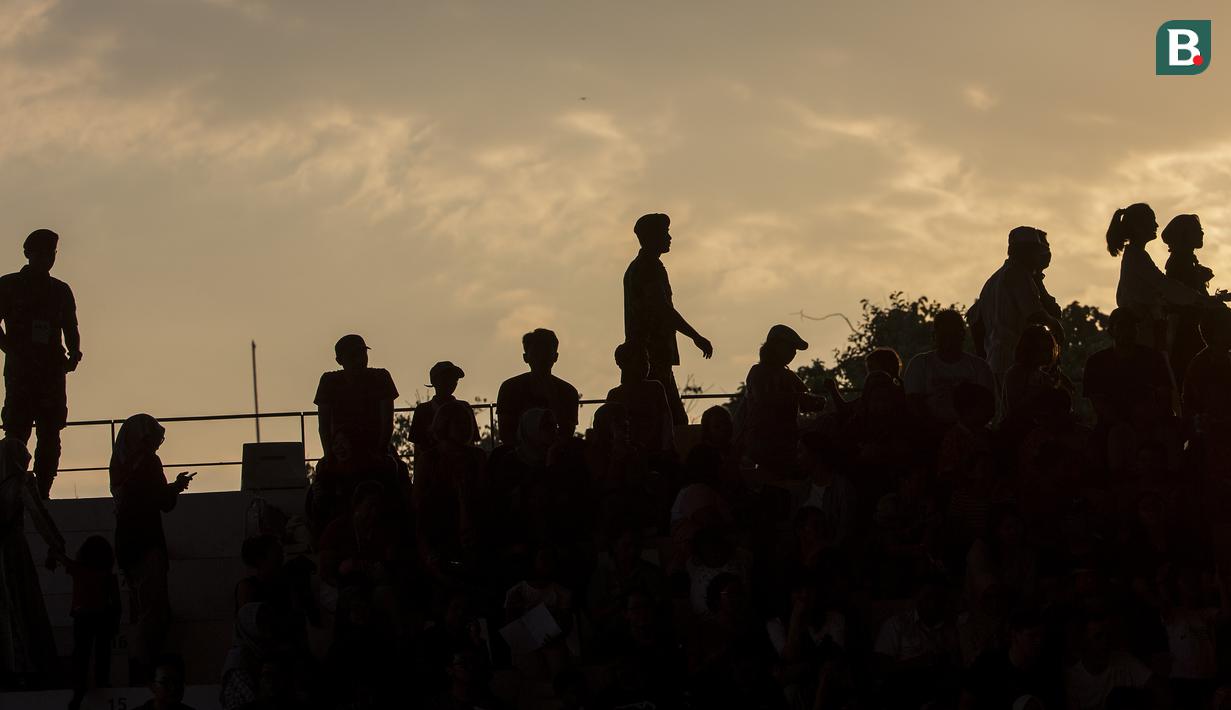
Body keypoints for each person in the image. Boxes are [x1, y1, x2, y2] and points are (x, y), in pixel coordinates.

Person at [110, 413, 194, 684]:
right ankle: (147, 666)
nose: (157, 445)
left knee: (139, 608)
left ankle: (140, 664)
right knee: (153, 609)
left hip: (126, 542)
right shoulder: (148, 462)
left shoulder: (119, 463)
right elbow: (162, 501)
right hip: (147, 541)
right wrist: (178, 487)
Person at [0, 228, 82, 498]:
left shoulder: (59, 290)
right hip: (21, 374)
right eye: (43, 253)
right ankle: (11, 490)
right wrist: (9, 347)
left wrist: (74, 353)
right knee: (16, 435)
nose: (48, 258)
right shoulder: (9, 285)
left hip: (51, 374)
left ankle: (43, 491)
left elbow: (70, 325)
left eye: (51, 253)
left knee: (50, 436)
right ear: (28, 254)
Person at [623, 213, 713, 425]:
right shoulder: (648, 267)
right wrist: (695, 336)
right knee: (670, 421)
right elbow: (662, 309)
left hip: (652, 356)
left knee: (671, 419)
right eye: (665, 233)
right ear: (651, 237)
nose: (669, 237)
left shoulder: (645, 266)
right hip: (649, 357)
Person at [0, 435, 64, 687]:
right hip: (15, 552)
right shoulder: (22, 482)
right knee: (23, 606)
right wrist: (57, 545)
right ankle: (28, 666)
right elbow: (40, 516)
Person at [1107, 203, 1212, 352]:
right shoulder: (1136, 257)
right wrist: (1202, 299)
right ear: (1139, 227)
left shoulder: (1136, 256)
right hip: (1143, 336)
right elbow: (1166, 286)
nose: (1156, 225)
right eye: (1152, 220)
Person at [968, 226, 1063, 385]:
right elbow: (1035, 314)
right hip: (1015, 363)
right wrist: (1056, 326)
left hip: (997, 362)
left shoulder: (994, 279)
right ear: (1026, 251)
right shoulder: (1017, 274)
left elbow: (974, 321)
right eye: (1035, 251)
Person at [741, 324, 825, 476]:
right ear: (775, 346)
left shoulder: (789, 375)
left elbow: (805, 400)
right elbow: (763, 399)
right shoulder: (758, 372)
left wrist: (815, 401)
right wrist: (800, 398)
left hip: (787, 441)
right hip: (764, 442)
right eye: (790, 347)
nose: (793, 353)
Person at [1162, 214, 1230, 386]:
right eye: (1198, 231)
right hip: (1188, 332)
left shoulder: (1186, 262)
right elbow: (1188, 300)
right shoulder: (1179, 263)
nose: (1202, 234)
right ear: (1185, 236)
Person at [903, 309, 996, 427]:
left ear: (962, 335)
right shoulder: (919, 364)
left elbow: (987, 408)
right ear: (934, 336)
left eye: (953, 334)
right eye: (944, 334)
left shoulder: (980, 367)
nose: (949, 340)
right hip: (929, 432)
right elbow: (912, 405)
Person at [314, 334, 399, 461]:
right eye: (353, 356)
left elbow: (387, 423)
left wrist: (380, 451)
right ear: (339, 360)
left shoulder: (381, 377)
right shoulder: (329, 381)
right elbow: (323, 426)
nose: (359, 360)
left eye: (362, 354)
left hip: (372, 447)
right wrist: (329, 456)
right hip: (343, 449)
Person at [63, 535, 122, 710]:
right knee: (102, 652)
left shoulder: (78, 569)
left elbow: (62, 559)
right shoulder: (108, 577)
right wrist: (115, 623)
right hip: (103, 616)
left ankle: (79, 688)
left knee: (81, 653)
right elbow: (117, 604)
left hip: (82, 617)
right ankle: (102, 682)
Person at [495, 328, 580, 443]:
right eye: (536, 353)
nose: (541, 358)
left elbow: (567, 433)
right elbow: (506, 434)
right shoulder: (509, 388)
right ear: (526, 357)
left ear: (555, 357)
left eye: (545, 352)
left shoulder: (568, 392)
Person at [605, 342, 675, 459]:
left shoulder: (656, 388)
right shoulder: (614, 395)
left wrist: (667, 450)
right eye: (641, 360)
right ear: (624, 364)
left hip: (654, 452)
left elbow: (666, 421)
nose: (646, 365)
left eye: (646, 360)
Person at [408, 360, 478, 454]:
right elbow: (418, 448)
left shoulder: (464, 407)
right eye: (447, 377)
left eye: (454, 378)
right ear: (435, 381)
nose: (452, 382)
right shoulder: (422, 410)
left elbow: (472, 443)